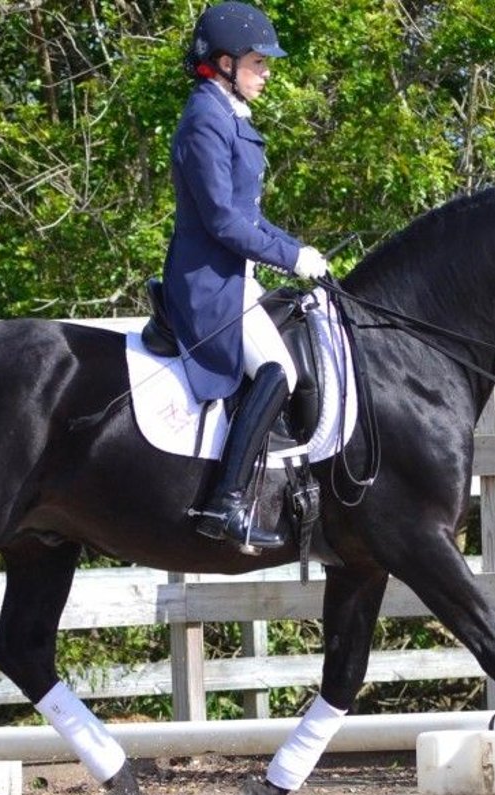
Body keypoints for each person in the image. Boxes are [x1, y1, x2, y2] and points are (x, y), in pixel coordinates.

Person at [163, 2, 328, 553]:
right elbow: (222, 222)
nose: (266, 73)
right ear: (225, 62)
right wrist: (289, 258)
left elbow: (251, 219)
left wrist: (299, 251)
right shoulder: (204, 120)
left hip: (236, 275)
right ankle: (224, 504)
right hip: (209, 282)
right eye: (259, 62)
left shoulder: (228, 115)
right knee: (277, 369)